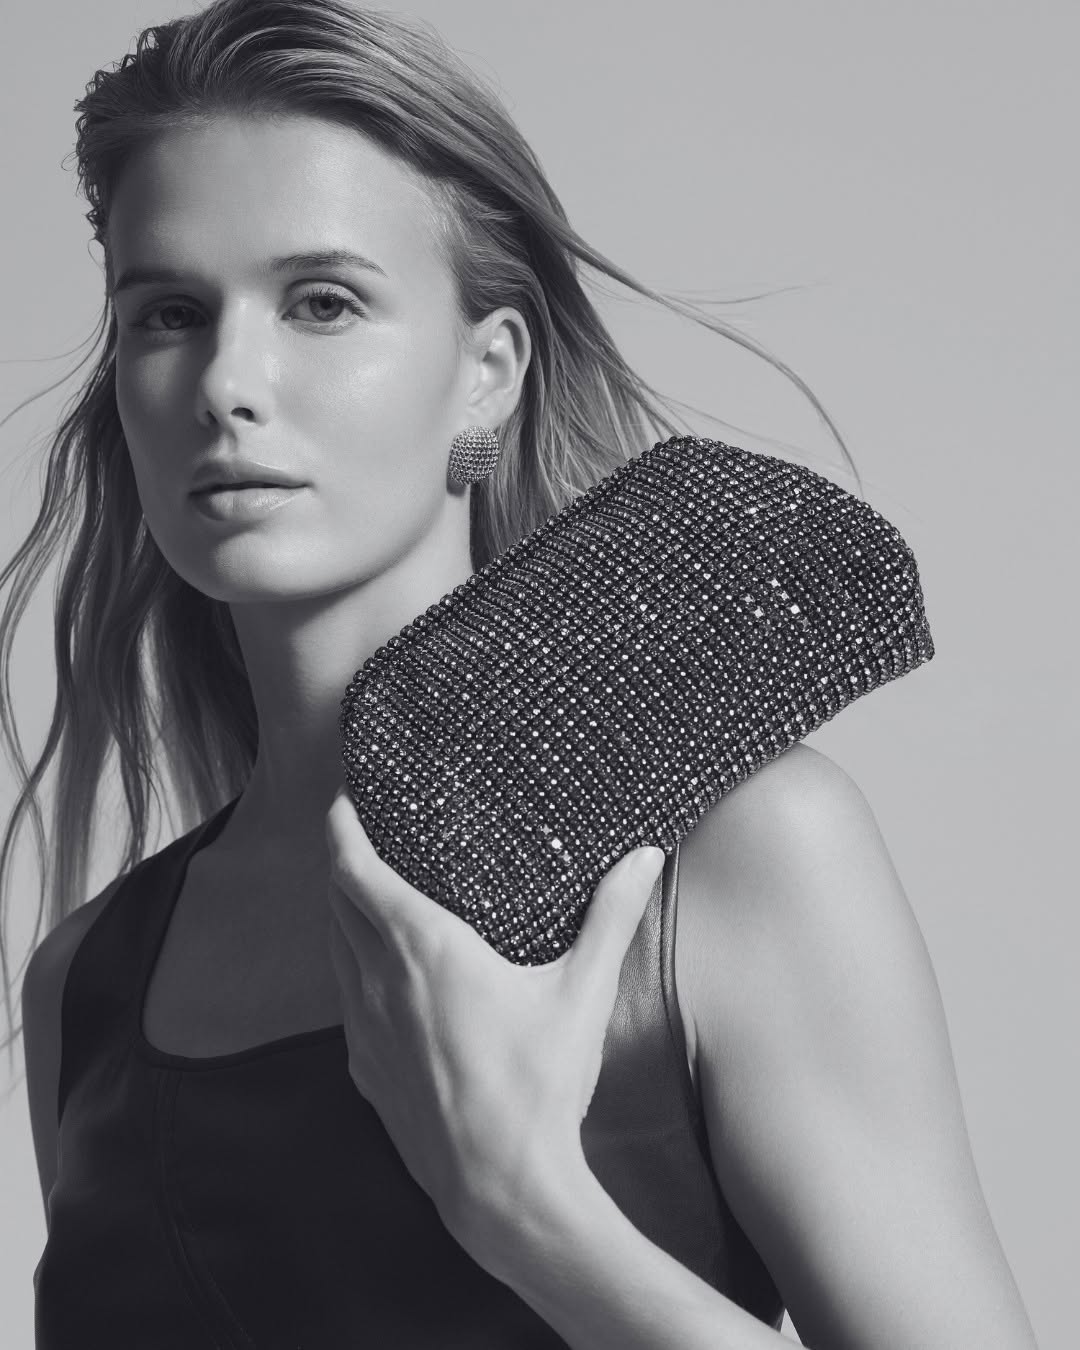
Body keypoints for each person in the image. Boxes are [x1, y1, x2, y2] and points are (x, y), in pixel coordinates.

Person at [3, 1, 1039, 1347]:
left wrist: (524, 1208)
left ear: (487, 375)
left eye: (323, 303)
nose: (227, 381)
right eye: (170, 314)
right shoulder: (85, 987)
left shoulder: (736, 861)